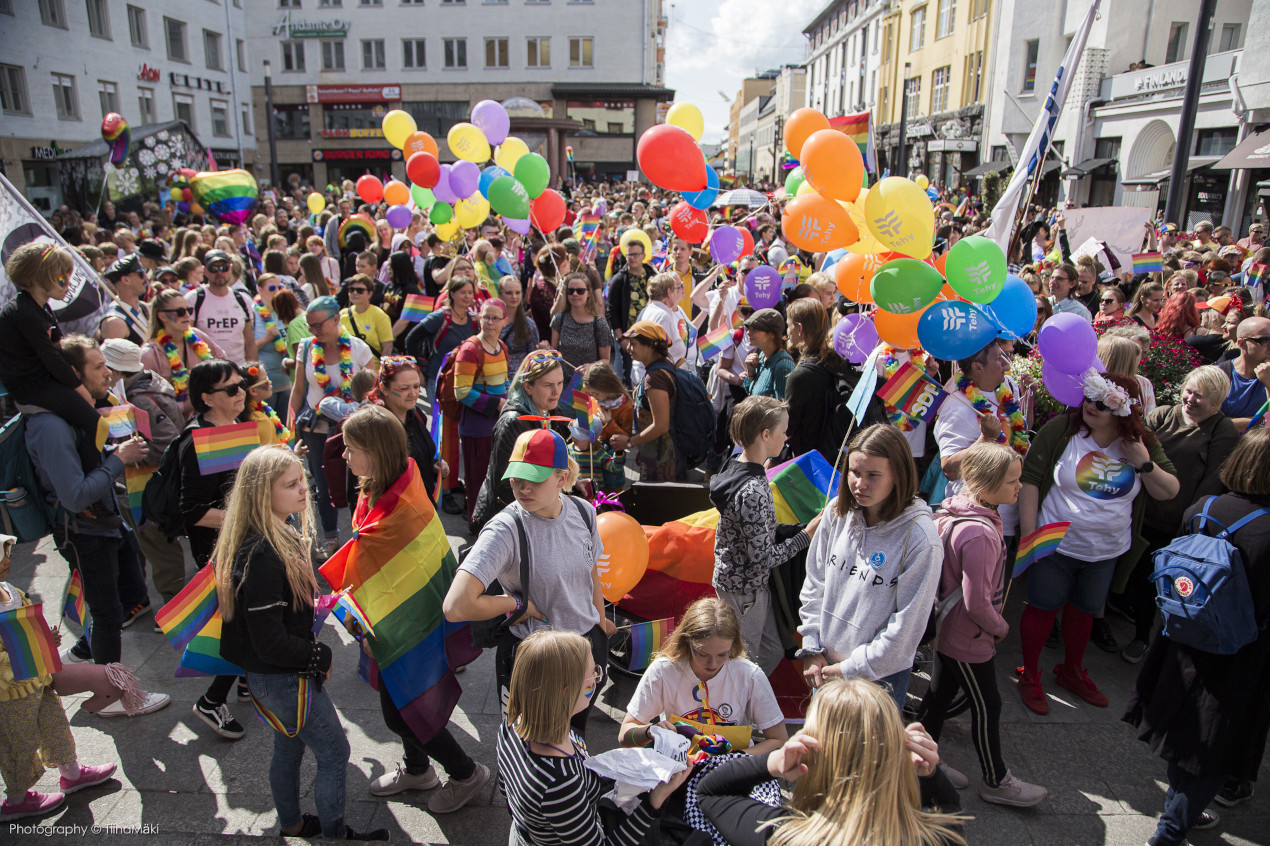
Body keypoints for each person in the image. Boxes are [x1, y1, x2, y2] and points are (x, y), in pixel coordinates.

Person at [213, 446, 388, 841]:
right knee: (334, 753)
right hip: (282, 679)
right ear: (261, 494)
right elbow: (270, 641)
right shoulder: (262, 555)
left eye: (302, 481)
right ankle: (334, 835)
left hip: (275, 677)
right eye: (290, 485)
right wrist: (319, 654)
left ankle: (291, 824)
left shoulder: (276, 533)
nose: (302, 490)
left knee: (289, 748)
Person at [339, 406, 491, 812]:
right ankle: (417, 769)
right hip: (392, 616)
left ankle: (465, 773)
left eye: (350, 449)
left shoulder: (398, 509)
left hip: (407, 623)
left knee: (401, 713)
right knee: (407, 700)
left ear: (375, 452)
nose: (344, 457)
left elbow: (400, 572)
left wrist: (376, 632)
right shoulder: (395, 481)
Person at [1124, 429, 1270, 846]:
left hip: (1184, 640)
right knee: (1214, 749)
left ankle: (1177, 804)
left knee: (1183, 731)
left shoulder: (1202, 509)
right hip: (1242, 655)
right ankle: (1171, 829)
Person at [1017, 372, 1178, 716]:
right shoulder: (1063, 429)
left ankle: (1072, 672)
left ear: (1123, 410)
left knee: (1085, 610)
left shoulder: (1140, 441)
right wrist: (1029, 538)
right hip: (1054, 542)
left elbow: (1169, 490)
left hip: (1105, 550)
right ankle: (1030, 675)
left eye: (1104, 403)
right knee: (1042, 608)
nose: (1092, 406)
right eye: (1090, 397)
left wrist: (1143, 462)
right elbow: (1030, 479)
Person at [444, 428, 615, 737]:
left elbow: (591, 577)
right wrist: (516, 604)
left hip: (586, 651)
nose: (522, 488)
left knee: (574, 739)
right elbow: (456, 606)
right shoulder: (505, 529)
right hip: (535, 661)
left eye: (533, 479)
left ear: (562, 478)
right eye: (515, 479)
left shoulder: (584, 511)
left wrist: (599, 627)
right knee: (528, 747)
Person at [22, 337, 160, 688]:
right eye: (98, 367)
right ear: (72, 374)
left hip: (106, 525)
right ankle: (112, 693)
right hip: (83, 532)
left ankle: (87, 651)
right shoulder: (50, 426)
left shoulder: (73, 412)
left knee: (125, 597)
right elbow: (75, 496)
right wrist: (118, 459)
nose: (109, 373)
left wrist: (113, 451)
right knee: (107, 611)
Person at [919, 442, 1047, 807]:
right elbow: (976, 602)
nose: (1018, 487)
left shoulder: (948, 513)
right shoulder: (980, 534)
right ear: (987, 484)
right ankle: (996, 779)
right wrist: (1000, 628)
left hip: (946, 630)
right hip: (968, 637)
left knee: (939, 697)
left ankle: (924, 761)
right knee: (988, 706)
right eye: (1012, 481)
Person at [694, 678, 966, 846]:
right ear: (896, 752)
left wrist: (774, 762)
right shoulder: (933, 837)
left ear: (812, 752)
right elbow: (951, 812)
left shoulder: (785, 835)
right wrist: (930, 779)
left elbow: (710, 791)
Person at [0, 533, 157, 823]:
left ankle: (71, 775)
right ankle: (16, 799)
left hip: (38, 680)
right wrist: (27, 656)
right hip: (10, 693)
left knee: (54, 724)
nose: (7, 559)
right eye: (1, 554)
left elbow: (26, 627)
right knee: (19, 743)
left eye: (7, 551)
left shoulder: (9, 589)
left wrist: (45, 640)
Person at [497, 630, 691, 846]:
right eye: (594, 673)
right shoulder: (560, 783)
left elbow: (507, 791)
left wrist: (647, 733)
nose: (598, 679)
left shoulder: (513, 723)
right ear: (566, 693)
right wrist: (654, 802)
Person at [799, 424, 943, 710]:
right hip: (824, 668)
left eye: (873, 475)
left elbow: (906, 627)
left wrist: (851, 669)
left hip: (878, 682)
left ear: (898, 476)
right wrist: (811, 646)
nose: (860, 484)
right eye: (855, 472)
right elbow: (815, 581)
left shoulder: (921, 539)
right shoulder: (837, 511)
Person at [1112, 366, 1239, 663]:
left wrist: (1189, 526)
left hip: (1173, 521)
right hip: (1137, 510)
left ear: (1218, 401)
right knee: (1123, 571)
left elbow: (1212, 483)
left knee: (1150, 579)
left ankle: (1142, 636)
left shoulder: (1222, 432)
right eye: (1190, 391)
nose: (1191, 399)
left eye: (1201, 396)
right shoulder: (1164, 415)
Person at [710, 397, 821, 674]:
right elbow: (762, 558)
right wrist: (805, 535)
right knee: (743, 664)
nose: (787, 436)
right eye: (783, 431)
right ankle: (738, 712)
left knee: (771, 650)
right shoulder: (754, 491)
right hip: (745, 589)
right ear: (766, 434)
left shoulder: (737, 464)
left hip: (748, 586)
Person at [179, 359, 259, 741]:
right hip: (218, 550)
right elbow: (191, 511)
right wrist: (245, 518)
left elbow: (238, 488)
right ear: (207, 398)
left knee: (243, 617)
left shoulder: (232, 428)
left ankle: (246, 682)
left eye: (241, 385)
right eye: (231, 389)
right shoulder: (198, 440)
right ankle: (212, 700)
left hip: (241, 543)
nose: (241, 391)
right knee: (241, 623)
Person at [620, 597, 788, 757]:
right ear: (686, 641)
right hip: (678, 768)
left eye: (723, 654)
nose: (712, 663)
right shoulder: (663, 670)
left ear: (734, 645)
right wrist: (650, 732)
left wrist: (734, 760)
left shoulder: (749, 675)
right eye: (701, 653)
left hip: (733, 771)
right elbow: (625, 734)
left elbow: (779, 739)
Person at [0, 243, 111, 471]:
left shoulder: (41, 307)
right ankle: (89, 485)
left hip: (47, 379)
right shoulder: (23, 312)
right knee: (98, 425)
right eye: (62, 277)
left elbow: (62, 348)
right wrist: (81, 390)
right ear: (41, 277)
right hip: (32, 387)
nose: (68, 284)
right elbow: (51, 357)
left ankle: (101, 463)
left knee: (109, 401)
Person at [99, 339, 187, 605]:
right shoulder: (144, 385)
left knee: (159, 546)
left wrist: (130, 454)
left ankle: (176, 605)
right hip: (139, 486)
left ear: (115, 370)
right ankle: (140, 600)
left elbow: (168, 442)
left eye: (104, 367)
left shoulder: (139, 398)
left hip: (147, 487)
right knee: (142, 543)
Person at [289, 297, 376, 556]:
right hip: (316, 428)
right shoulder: (305, 348)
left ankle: (362, 533)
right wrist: (289, 429)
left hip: (353, 428)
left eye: (318, 325)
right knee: (322, 484)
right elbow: (298, 390)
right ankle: (329, 535)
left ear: (336, 319)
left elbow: (372, 391)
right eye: (310, 326)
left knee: (358, 482)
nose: (313, 331)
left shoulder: (359, 348)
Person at [934, 339, 1029, 538]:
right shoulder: (957, 405)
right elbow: (949, 469)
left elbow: (1019, 434)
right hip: (976, 522)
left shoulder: (1005, 388)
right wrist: (985, 440)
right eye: (998, 358)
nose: (1005, 363)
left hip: (1008, 517)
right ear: (978, 367)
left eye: (1004, 355)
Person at [470, 351, 568, 530]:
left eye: (560, 383)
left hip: (537, 510)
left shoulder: (551, 410)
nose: (556, 391)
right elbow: (504, 483)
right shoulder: (513, 422)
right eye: (548, 385)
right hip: (509, 518)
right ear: (528, 387)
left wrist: (573, 483)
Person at [454, 299, 510, 528]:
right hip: (476, 428)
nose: (489, 322)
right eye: (486, 316)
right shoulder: (470, 349)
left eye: (495, 318)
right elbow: (461, 392)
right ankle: (476, 525)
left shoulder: (502, 347)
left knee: (496, 478)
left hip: (496, 425)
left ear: (504, 322)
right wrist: (496, 404)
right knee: (477, 481)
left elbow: (503, 383)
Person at [366, 356, 445, 504]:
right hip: (396, 516)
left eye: (416, 386)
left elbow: (418, 456)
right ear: (383, 388)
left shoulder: (416, 415)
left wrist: (433, 466)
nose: (413, 393)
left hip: (424, 509)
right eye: (404, 388)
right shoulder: (376, 427)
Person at [141, 288, 227, 418]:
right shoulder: (150, 354)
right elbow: (146, 401)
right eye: (180, 312)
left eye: (189, 310)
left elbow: (223, 364)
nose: (187, 315)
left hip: (207, 418)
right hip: (173, 424)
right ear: (162, 316)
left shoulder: (197, 335)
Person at [614, 321, 680, 482]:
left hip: (661, 459)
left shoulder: (655, 378)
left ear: (650, 346)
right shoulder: (662, 367)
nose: (628, 348)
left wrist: (629, 443)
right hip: (658, 452)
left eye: (633, 344)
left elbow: (661, 425)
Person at [186, 250, 256, 365]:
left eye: (224, 268)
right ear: (205, 271)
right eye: (213, 268)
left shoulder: (242, 300)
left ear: (230, 269)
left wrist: (254, 371)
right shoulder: (193, 299)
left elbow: (250, 342)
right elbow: (186, 336)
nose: (219, 272)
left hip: (237, 369)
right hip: (207, 370)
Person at [606, 240, 655, 383]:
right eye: (629, 255)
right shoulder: (619, 279)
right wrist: (621, 339)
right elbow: (612, 311)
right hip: (629, 338)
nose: (632, 258)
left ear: (643, 255)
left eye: (635, 254)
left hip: (650, 335)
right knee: (629, 377)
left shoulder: (651, 275)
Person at [550, 271, 614, 370]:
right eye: (571, 291)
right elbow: (553, 353)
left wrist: (592, 366)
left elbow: (606, 360)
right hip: (562, 381)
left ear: (588, 293)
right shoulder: (559, 319)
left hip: (589, 381)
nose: (575, 294)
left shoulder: (600, 324)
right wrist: (546, 349)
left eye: (580, 291)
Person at [633, 273, 691, 381]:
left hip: (651, 375)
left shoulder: (650, 310)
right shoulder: (662, 315)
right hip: (657, 378)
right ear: (669, 292)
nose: (675, 294)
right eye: (674, 290)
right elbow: (664, 350)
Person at [1218, 315, 1270, 428]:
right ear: (1241, 343)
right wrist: (1261, 421)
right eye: (1266, 341)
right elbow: (1210, 424)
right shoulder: (1218, 375)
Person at [251, 274, 293, 411]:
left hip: (286, 380)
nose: (276, 291)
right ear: (260, 290)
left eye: (279, 287)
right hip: (265, 382)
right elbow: (248, 348)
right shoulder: (253, 313)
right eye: (271, 288)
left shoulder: (283, 311)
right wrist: (266, 339)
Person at [340, 273, 394, 363]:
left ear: (370, 293)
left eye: (360, 290)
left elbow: (387, 347)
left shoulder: (379, 315)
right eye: (351, 289)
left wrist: (381, 371)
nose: (354, 293)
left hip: (372, 370)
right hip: (347, 369)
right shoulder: (342, 314)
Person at [742, 309, 794, 400]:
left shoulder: (783, 366)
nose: (748, 333)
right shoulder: (762, 356)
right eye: (749, 328)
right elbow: (752, 393)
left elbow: (782, 409)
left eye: (755, 329)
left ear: (772, 334)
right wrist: (751, 373)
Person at [1099, 334, 1157, 416]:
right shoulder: (1093, 386)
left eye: (1141, 352)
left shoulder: (1143, 384)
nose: (1138, 358)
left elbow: (1150, 420)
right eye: (1133, 355)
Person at [99, 254, 150, 344]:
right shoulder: (114, 322)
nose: (146, 278)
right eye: (141, 274)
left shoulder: (144, 307)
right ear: (126, 280)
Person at [498, 275, 543, 377]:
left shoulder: (529, 324)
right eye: (509, 293)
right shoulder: (493, 321)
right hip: (495, 380)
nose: (514, 297)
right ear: (500, 294)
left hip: (518, 380)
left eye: (517, 292)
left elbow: (533, 357)